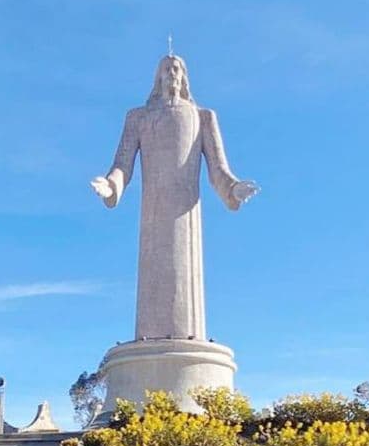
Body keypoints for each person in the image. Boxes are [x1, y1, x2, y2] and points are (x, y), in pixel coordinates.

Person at [90, 55, 259, 342]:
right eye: (166, 69)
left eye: (177, 68)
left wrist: (233, 189)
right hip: (152, 213)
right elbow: (122, 165)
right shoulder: (138, 117)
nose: (172, 73)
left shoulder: (202, 116)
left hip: (186, 212)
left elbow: (219, 168)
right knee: (153, 278)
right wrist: (110, 185)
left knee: (187, 285)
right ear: (157, 77)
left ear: (185, 76)